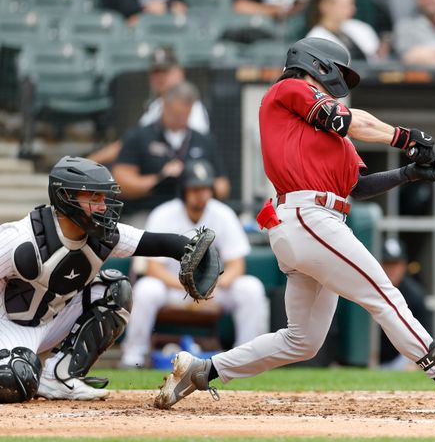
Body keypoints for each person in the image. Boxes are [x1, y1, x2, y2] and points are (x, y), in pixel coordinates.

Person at [154, 37, 435, 415]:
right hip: (308, 217)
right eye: (336, 73)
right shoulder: (289, 90)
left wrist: (409, 173)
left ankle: (203, 370)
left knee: (302, 340)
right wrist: (405, 137)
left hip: (313, 225)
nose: (338, 84)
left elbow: (356, 186)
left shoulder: (328, 137)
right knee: (384, 295)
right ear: (317, 65)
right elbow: (346, 120)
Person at [0, 156, 219, 402]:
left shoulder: (103, 235)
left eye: (103, 197)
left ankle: (59, 376)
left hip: (53, 319)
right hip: (9, 327)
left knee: (116, 290)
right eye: (94, 198)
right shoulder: (20, 239)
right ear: (65, 197)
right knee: (17, 380)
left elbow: (157, 242)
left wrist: (188, 250)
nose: (103, 206)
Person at [120, 159, 267, 368]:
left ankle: (245, 359)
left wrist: (209, 287)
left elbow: (237, 265)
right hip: (175, 289)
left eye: (206, 188)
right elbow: (153, 268)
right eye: (196, 189)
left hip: (212, 292)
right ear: (184, 190)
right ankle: (133, 356)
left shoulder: (223, 214)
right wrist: (188, 286)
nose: (202, 195)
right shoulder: (163, 213)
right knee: (146, 289)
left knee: (250, 287)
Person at [112, 81, 230, 227]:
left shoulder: (204, 140)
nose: (180, 118)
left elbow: (223, 185)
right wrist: (159, 179)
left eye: (185, 113)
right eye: (176, 113)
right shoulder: (139, 136)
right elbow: (120, 182)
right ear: (164, 105)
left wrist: (196, 181)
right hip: (148, 211)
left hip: (194, 214)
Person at [89, 46, 210, 166]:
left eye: (165, 71)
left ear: (180, 72)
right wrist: (88, 162)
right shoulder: (157, 106)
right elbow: (131, 143)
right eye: (156, 72)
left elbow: (194, 149)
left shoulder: (191, 107)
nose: (160, 77)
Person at [378, 238, 430, 369]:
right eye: (387, 263)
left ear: (404, 265)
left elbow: (425, 333)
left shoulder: (414, 294)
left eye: (396, 263)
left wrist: (414, 364)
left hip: (399, 359)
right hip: (369, 356)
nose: (392, 269)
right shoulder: (365, 287)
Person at [306, 0, 381, 61]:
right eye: (345, 4)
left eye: (352, 3)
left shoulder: (360, 27)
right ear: (325, 6)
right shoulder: (315, 40)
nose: (352, 8)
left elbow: (375, 57)